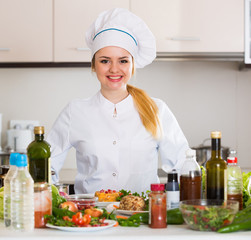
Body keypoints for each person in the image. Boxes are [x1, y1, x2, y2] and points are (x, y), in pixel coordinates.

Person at [47, 8, 189, 194]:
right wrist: (55, 196)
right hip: (91, 218)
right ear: (93, 64)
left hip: (142, 218)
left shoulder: (157, 109)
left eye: (123, 61)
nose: (114, 69)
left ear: (132, 64)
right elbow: (43, 164)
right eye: (105, 61)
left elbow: (184, 164)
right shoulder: (75, 111)